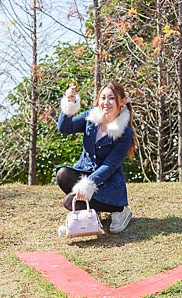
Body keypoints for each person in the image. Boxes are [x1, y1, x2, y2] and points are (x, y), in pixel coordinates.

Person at [56, 80, 135, 233]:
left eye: (111, 98)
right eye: (103, 98)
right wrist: (70, 103)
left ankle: (120, 210)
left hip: (108, 183)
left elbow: (110, 166)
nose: (106, 102)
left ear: (121, 102)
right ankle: (93, 211)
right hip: (85, 172)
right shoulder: (90, 117)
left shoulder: (125, 133)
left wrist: (87, 185)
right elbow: (65, 128)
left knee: (69, 202)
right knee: (62, 174)